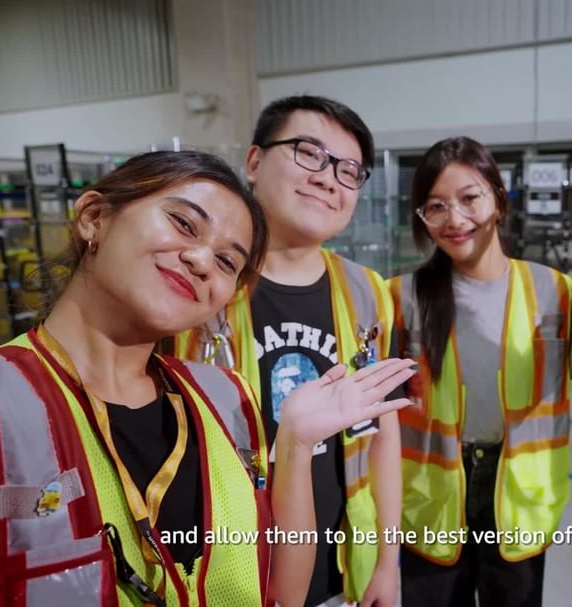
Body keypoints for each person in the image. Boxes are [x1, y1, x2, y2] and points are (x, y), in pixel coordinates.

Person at [0, 151, 416, 607]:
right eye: (184, 224)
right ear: (94, 217)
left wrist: (297, 444)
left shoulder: (226, 397)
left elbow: (283, 592)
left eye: (227, 261)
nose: (201, 260)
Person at [171, 96, 402, 607]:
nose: (328, 179)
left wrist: (388, 563)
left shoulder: (367, 291)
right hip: (227, 566)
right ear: (254, 161)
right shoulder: (200, 282)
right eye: (309, 153)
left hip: (345, 568)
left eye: (348, 170)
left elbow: (383, 434)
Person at [390, 137, 572, 607]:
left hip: (518, 494)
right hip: (431, 497)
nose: (454, 219)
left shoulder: (554, 290)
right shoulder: (401, 296)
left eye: (469, 198)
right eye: (435, 207)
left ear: (499, 200)